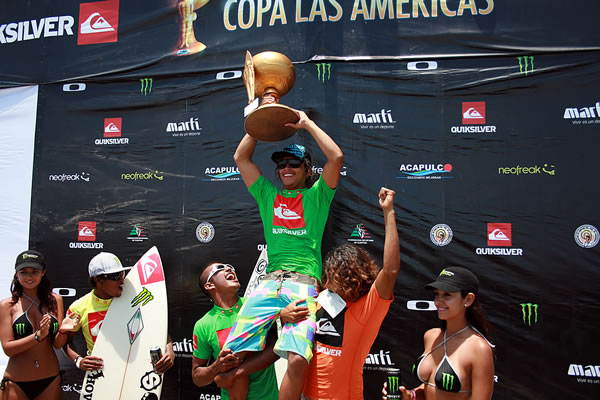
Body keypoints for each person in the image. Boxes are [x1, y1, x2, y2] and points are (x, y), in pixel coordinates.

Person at [227, 108, 343, 400]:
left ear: (307, 169)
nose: (286, 168)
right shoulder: (268, 194)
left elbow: (336, 158)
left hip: (302, 285)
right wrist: (258, 123)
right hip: (268, 284)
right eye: (281, 164)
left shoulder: (318, 195)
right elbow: (241, 158)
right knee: (230, 356)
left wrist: (307, 124)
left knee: (297, 358)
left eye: (293, 163)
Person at [299, 187, 400, 400]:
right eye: (332, 275)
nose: (334, 282)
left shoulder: (367, 308)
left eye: (344, 275)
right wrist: (284, 315)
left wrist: (388, 212)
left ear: (358, 275)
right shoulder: (317, 301)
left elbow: (390, 271)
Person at [383, 267, 495, 400]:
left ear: (468, 300)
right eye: (437, 294)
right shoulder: (431, 336)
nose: (438, 301)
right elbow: (430, 386)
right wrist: (410, 395)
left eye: (447, 295)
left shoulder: (478, 348)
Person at [64, 251, 174, 374]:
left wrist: (169, 351)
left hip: (135, 371)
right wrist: (78, 360)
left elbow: (159, 328)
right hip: (101, 375)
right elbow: (65, 342)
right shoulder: (79, 308)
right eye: (116, 276)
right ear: (98, 279)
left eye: (122, 274)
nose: (122, 281)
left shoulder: (135, 299)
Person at [192, 261, 281, 399]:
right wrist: (216, 367)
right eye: (219, 268)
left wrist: (234, 373)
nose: (229, 268)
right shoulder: (203, 325)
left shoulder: (257, 305)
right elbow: (197, 378)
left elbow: (275, 350)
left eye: (230, 266)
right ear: (209, 285)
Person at [0, 250, 73, 399]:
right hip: (16, 381)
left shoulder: (55, 300)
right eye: (24, 272)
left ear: (43, 273)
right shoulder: (7, 305)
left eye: (35, 272)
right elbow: (8, 349)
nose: (29, 277)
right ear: (16, 274)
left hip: (50, 379)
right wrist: (37, 336)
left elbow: (57, 344)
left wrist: (64, 331)